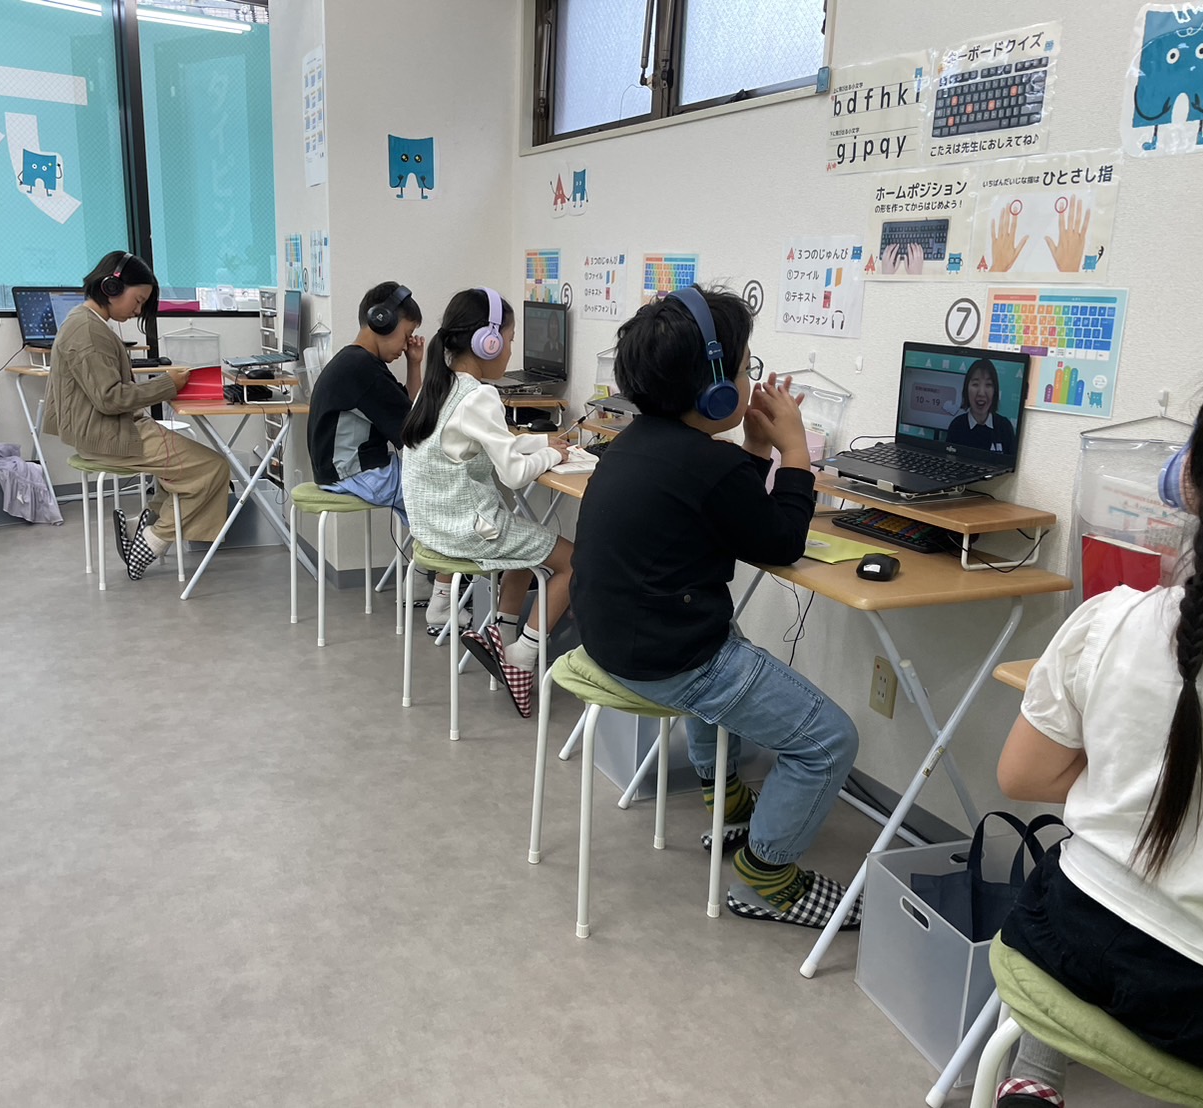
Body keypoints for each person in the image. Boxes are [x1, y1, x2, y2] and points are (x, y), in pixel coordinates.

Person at [992, 354, 1203, 1107]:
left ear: (1188, 481)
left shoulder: (1111, 620)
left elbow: (1023, 777)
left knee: (1086, 871)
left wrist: (1131, 779)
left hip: (1067, 948)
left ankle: (1034, 1077)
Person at [570, 286, 860, 928]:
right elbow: (779, 544)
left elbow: (734, 514)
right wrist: (795, 453)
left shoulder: (636, 442)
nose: (751, 380)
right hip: (669, 659)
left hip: (612, 641)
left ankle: (724, 799)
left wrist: (756, 450)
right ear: (717, 390)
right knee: (830, 740)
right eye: (746, 367)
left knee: (727, 634)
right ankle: (769, 877)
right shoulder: (707, 463)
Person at [400, 287, 574, 717]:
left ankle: (503, 635)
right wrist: (556, 456)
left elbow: (491, 444)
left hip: (431, 528)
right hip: (466, 532)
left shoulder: (439, 386)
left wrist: (541, 443)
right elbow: (513, 473)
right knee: (576, 561)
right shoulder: (481, 396)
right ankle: (522, 657)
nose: (510, 350)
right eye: (509, 339)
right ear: (488, 342)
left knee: (528, 540)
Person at [42, 251, 230, 581]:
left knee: (183, 468)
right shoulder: (88, 332)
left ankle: (138, 526)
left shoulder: (84, 322)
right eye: (138, 300)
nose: (138, 310)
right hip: (108, 434)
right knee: (213, 468)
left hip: (103, 430)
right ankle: (152, 541)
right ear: (112, 288)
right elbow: (110, 398)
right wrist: (167, 386)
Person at [306, 281, 453, 629]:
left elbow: (409, 411)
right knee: (443, 494)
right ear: (382, 322)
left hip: (343, 471)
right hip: (354, 473)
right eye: (406, 335)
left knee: (423, 492)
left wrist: (415, 365)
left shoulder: (358, 361)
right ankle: (443, 600)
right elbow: (413, 431)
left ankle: (422, 582)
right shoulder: (364, 371)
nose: (406, 345)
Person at [945, 358, 1017, 454]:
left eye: (988, 385)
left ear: (995, 391)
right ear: (966, 389)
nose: (981, 393)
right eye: (975, 384)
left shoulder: (1005, 427)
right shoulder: (956, 426)